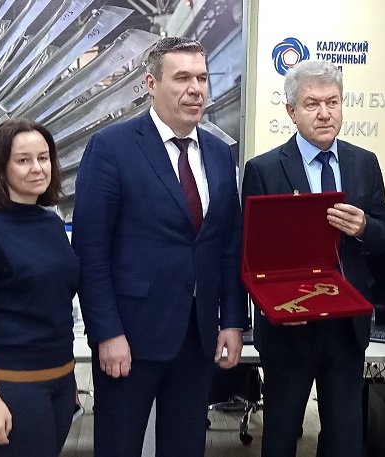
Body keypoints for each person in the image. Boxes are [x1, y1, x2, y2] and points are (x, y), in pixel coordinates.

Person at [71, 36, 247, 457]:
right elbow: (90, 251)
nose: (195, 89)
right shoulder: (112, 147)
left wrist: (232, 321)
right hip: (130, 338)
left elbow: (228, 246)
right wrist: (107, 332)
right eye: (182, 77)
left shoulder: (220, 154)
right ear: (151, 84)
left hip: (197, 337)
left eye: (201, 78)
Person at [242, 59, 385, 457]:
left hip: (347, 326)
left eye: (333, 102)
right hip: (289, 326)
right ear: (291, 111)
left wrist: (364, 227)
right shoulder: (263, 169)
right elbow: (252, 255)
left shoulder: (364, 163)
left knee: (345, 438)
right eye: (312, 104)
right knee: (281, 435)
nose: (325, 113)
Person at [0, 118, 79, 457]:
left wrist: (66, 379)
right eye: (23, 160)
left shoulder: (51, 223)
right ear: (0, 168)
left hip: (59, 378)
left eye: (44, 158)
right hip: (11, 385)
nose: (38, 168)